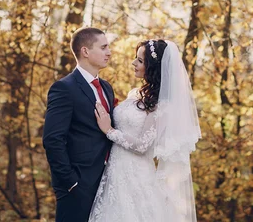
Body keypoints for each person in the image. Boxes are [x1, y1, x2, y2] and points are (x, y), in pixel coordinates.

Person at [89, 39, 201, 222]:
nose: (134, 63)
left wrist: (109, 131)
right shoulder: (135, 94)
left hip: (135, 175)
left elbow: (142, 145)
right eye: (135, 58)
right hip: (115, 171)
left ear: (152, 68)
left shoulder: (162, 104)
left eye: (140, 61)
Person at [43, 27, 115, 222]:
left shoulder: (107, 88)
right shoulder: (64, 88)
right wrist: (71, 182)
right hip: (77, 187)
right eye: (103, 47)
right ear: (85, 51)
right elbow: (52, 139)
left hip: (108, 185)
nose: (109, 52)